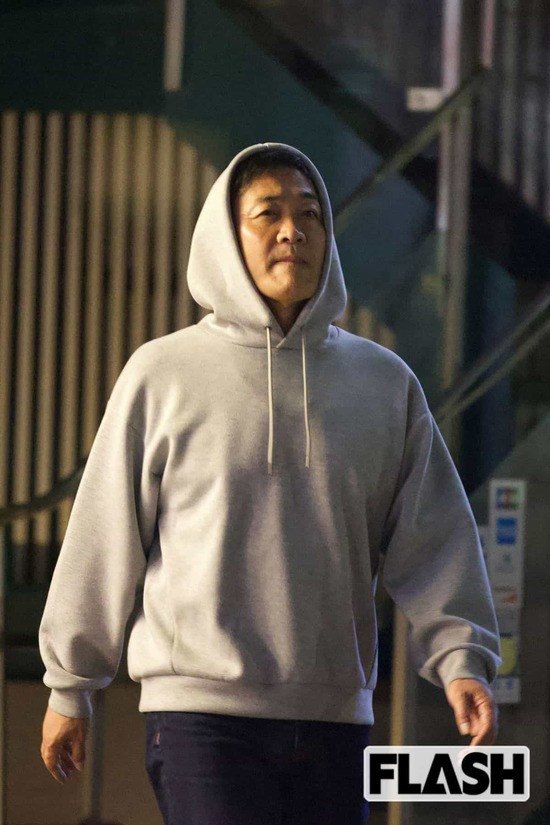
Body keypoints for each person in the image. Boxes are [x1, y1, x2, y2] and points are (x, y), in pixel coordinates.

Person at [39, 142, 501, 825]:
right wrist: (70, 685)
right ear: (227, 238)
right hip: (201, 716)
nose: (294, 231)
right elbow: (105, 535)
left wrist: (462, 659)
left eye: (310, 214)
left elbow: (435, 537)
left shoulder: (384, 384)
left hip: (336, 718)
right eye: (269, 213)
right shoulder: (162, 375)